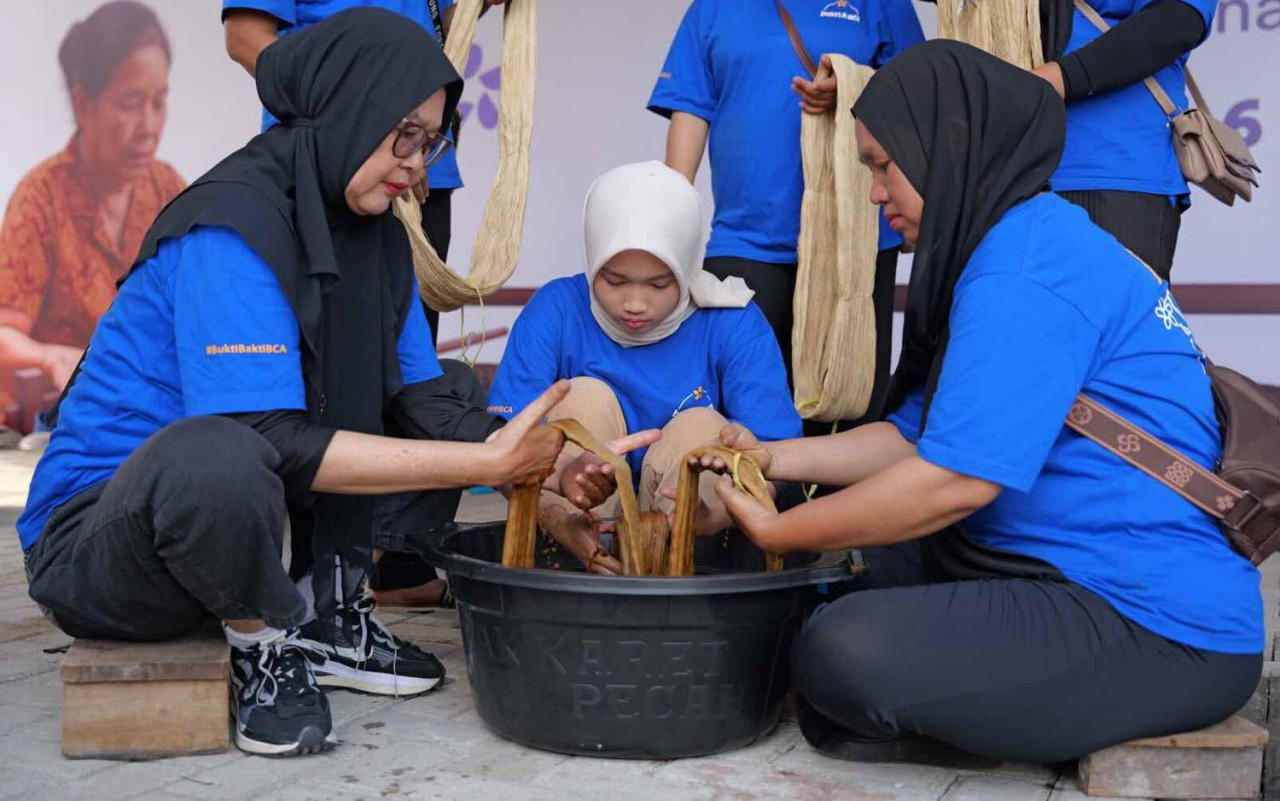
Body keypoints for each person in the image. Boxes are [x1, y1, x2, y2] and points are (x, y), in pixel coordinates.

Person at [19, 10, 571, 758]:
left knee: (460, 397)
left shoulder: (376, 236)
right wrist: (484, 466)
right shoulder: (233, 229)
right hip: (102, 543)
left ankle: (329, 613)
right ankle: (264, 645)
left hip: (227, 524)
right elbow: (266, 440)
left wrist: (547, 476)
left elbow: (424, 401)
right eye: (402, 134)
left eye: (432, 140)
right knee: (221, 453)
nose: (418, 163)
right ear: (349, 111)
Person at [699, 41, 1263, 764]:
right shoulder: (1018, 238)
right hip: (1063, 567)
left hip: (1155, 621)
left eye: (883, 165)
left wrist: (784, 530)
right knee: (861, 566)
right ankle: (984, 708)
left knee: (839, 651)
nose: (876, 193)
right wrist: (770, 455)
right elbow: (918, 439)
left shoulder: (1023, 271)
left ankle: (988, 720)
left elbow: (954, 481)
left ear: (947, 147)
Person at [485, 162, 802, 574]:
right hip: (574, 530)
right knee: (581, 396)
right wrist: (562, 497)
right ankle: (587, 558)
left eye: (659, 284)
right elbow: (501, 448)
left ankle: (675, 562)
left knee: (703, 426)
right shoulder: (557, 309)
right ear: (591, 258)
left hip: (693, 542)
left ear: (689, 267)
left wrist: (712, 514)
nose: (635, 303)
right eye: (614, 281)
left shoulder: (733, 321)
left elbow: (774, 459)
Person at [648, 0, 925, 426]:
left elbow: (917, 97)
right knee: (742, 406)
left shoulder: (882, 4)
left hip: (854, 239)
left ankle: (840, 494)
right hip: (744, 239)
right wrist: (669, 225)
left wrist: (857, 92)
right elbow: (691, 109)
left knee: (847, 403)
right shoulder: (712, 7)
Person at [221, 0, 508, 339]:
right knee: (322, 344)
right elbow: (244, 36)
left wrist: (477, 4)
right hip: (325, 166)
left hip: (422, 174)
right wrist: (350, 119)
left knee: (409, 348)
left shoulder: (417, 159)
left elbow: (434, 28)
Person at [0, 1, 185, 422]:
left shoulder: (169, 191)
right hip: (47, 427)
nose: (149, 125)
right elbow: (3, 335)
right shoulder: (40, 197)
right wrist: (53, 359)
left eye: (159, 103)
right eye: (131, 103)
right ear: (84, 105)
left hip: (140, 419)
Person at [1032, 0, 1217, 279]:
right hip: (1001, 172)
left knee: (1108, 314)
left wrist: (1051, 81)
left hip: (1111, 173)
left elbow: (1175, 21)